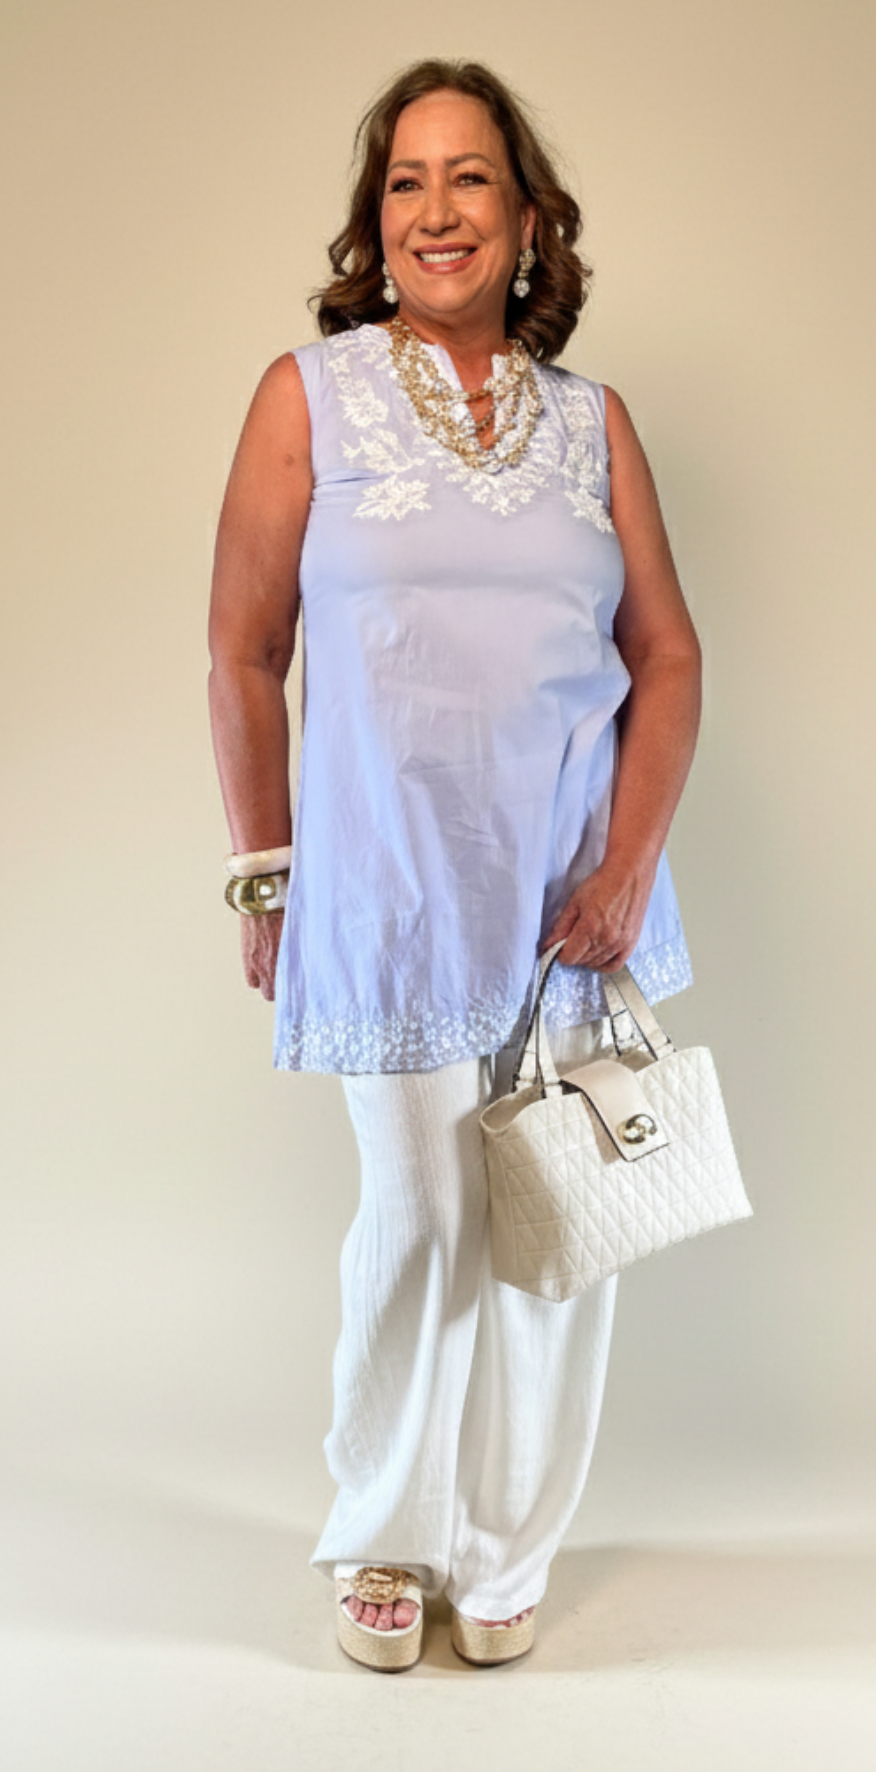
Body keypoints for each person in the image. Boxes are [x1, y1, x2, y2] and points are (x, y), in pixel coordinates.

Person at [208, 58, 701, 1672]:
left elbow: (669, 657)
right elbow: (242, 647)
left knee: (556, 1224)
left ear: (528, 216)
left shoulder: (594, 423)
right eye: (407, 180)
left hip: (571, 902)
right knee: (423, 1214)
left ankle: (505, 1545)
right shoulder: (308, 396)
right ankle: (384, 1527)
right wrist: (266, 872)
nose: (438, 209)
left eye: (471, 176)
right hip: (390, 887)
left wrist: (627, 868)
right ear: (377, 219)